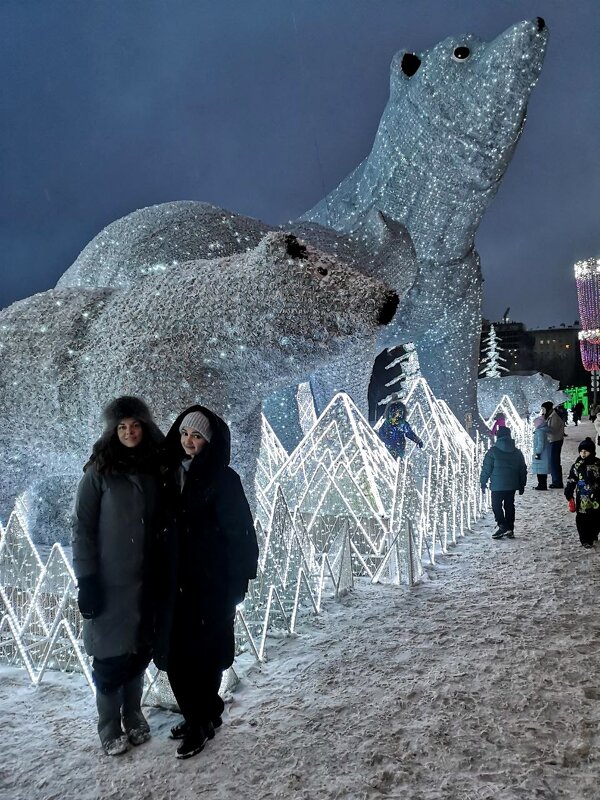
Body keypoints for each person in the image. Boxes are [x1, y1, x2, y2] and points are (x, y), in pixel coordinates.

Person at [154, 405, 259, 760]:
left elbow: (240, 532)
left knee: (206, 656)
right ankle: (200, 714)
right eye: (185, 433)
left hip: (209, 585)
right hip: (173, 584)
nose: (188, 441)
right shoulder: (167, 474)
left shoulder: (223, 479)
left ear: (209, 441)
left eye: (197, 435)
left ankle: (201, 720)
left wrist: (239, 578)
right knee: (177, 656)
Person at [72, 396, 164, 756]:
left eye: (135, 425)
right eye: (122, 426)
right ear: (113, 430)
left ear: (145, 427)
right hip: (110, 583)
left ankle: (133, 713)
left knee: (138, 652)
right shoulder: (98, 471)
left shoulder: (155, 466)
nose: (129, 432)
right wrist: (87, 579)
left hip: (147, 580)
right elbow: (82, 528)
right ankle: (109, 725)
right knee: (110, 658)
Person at [480, 427, 527, 540]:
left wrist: (483, 482)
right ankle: (510, 528)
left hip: (497, 486)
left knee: (496, 505)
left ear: (498, 437)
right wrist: (522, 484)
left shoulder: (492, 451)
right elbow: (522, 470)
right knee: (509, 506)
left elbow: (486, 469)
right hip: (511, 485)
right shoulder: (517, 452)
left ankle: (502, 525)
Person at [564, 438, 600, 549]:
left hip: (597, 497)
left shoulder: (598, 464)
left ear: (592, 451)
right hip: (582, 498)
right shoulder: (577, 466)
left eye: (586, 451)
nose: (583, 454)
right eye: (581, 451)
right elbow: (571, 480)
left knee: (596, 517)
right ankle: (585, 540)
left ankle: (593, 534)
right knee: (582, 519)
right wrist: (569, 493)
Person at [541, 401, 565, 488]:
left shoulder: (555, 417)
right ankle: (556, 481)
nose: (542, 411)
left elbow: (552, 430)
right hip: (553, 440)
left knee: (554, 462)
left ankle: (557, 482)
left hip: (555, 441)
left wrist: (542, 429)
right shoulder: (551, 416)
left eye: (543, 409)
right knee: (553, 461)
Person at [531, 415, 550, 490]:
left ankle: (542, 485)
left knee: (540, 471)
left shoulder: (539, 432)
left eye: (535, 423)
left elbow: (540, 444)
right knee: (542, 471)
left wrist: (537, 452)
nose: (534, 425)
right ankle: (542, 484)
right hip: (544, 454)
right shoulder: (543, 431)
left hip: (541, 455)